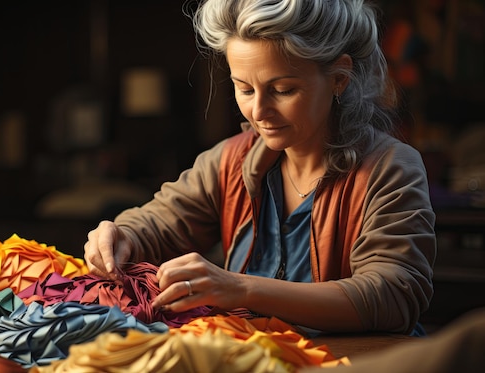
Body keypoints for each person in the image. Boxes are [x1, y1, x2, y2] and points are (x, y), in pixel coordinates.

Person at [84, 0, 436, 335]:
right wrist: (121, 235)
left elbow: (393, 295)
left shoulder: (389, 169)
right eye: (245, 88)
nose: (258, 111)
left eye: (282, 90)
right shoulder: (232, 161)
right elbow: (158, 224)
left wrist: (241, 288)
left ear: (339, 78)